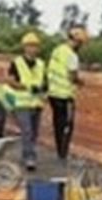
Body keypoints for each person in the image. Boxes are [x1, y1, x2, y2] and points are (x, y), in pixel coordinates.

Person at [47, 27, 89, 161]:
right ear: (78, 42)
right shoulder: (72, 55)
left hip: (53, 93)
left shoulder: (57, 50)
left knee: (58, 124)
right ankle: (63, 154)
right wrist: (80, 82)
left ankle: (60, 151)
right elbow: (72, 76)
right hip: (65, 95)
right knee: (67, 125)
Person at [8, 32, 47, 171]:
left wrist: (43, 92)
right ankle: (29, 158)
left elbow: (44, 83)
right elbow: (11, 81)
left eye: (35, 46)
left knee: (34, 133)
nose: (33, 49)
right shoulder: (16, 63)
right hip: (21, 103)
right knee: (27, 131)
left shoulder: (41, 64)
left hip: (36, 103)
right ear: (24, 47)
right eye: (30, 46)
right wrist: (27, 86)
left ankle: (26, 153)